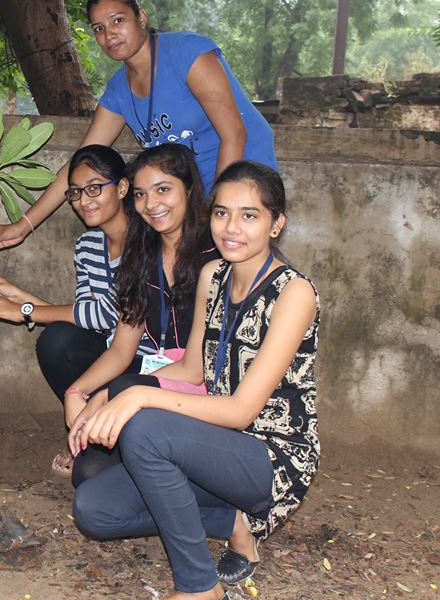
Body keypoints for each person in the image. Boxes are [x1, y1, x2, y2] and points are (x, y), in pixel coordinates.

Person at [68, 161, 320, 599]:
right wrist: (111, 392)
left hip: (271, 458)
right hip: (215, 444)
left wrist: (139, 398)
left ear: (276, 223)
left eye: (249, 215)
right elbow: (192, 370)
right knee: (94, 508)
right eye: (222, 213)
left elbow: (241, 411)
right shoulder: (213, 275)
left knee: (145, 425)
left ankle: (199, 587)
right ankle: (234, 523)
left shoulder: (294, 292)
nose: (231, 228)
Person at [0, 0, 276, 259]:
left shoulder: (188, 54)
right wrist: (23, 226)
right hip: (190, 200)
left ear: (141, 18)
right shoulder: (118, 91)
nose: (109, 34)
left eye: (118, 20)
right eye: (99, 28)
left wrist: (216, 212)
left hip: (242, 180)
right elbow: (78, 166)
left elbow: (234, 134)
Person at [64, 144, 218, 485]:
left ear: (188, 189)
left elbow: (195, 370)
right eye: (140, 194)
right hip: (158, 381)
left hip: (209, 394)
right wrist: (76, 392)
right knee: (90, 475)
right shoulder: (142, 255)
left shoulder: (215, 256)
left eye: (163, 189)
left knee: (105, 473)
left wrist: (109, 394)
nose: (150, 204)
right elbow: (122, 349)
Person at [0, 145, 128, 474]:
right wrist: (17, 295)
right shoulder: (88, 245)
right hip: (108, 353)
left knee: (93, 475)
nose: (84, 200)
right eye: (75, 192)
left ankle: (108, 434)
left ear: (122, 187)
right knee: (58, 340)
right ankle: (87, 431)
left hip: (141, 362)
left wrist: (25, 310)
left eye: (94, 188)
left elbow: (107, 315)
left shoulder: (144, 242)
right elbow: (85, 318)